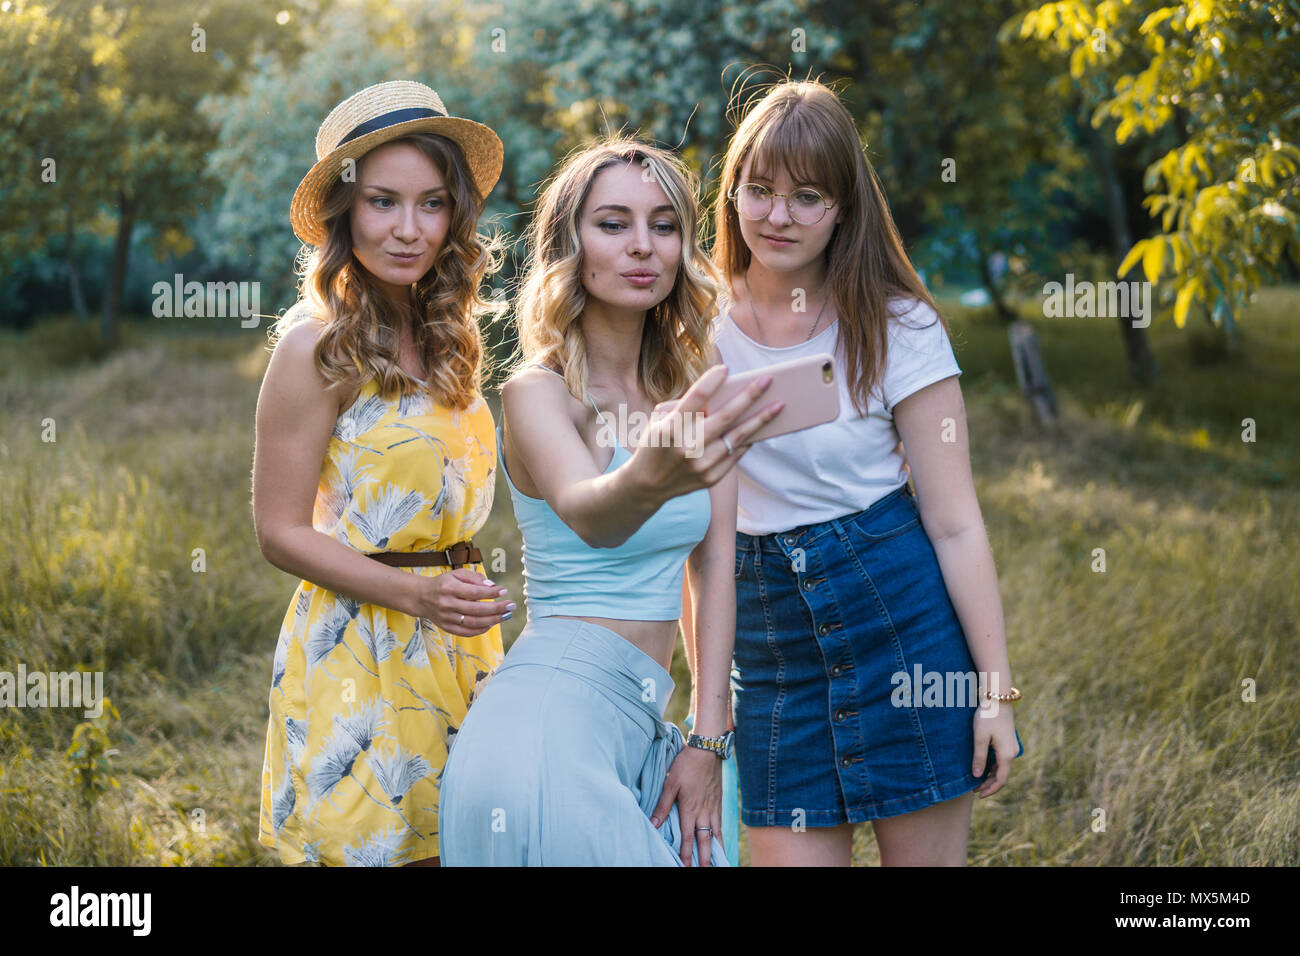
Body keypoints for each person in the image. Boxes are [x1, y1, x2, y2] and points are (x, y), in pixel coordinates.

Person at [705, 77, 1025, 866]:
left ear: (844, 206)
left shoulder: (898, 326)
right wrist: (707, 720)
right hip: (771, 651)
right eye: (760, 190)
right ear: (732, 192)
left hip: (903, 635)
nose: (777, 216)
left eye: (807, 196)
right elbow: (701, 551)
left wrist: (994, 694)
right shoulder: (693, 326)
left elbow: (954, 522)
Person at [437, 137, 780, 866]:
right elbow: (591, 513)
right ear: (571, 244)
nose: (642, 246)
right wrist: (650, 473)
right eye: (613, 223)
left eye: (664, 224)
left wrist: (707, 738)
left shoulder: (696, 383)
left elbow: (717, 563)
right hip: (545, 728)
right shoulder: (536, 394)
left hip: (645, 723)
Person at [253, 80, 513, 867]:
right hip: (360, 645)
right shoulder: (316, 345)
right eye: (382, 203)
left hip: (459, 647)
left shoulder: (446, 331)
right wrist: (414, 593)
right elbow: (279, 531)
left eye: (431, 204)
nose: (409, 230)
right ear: (344, 213)